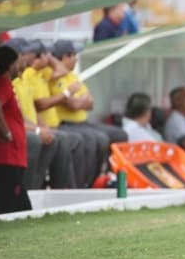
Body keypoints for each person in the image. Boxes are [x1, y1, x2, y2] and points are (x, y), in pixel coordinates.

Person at [50, 40, 128, 186]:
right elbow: (71, 104)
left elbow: (90, 102)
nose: (76, 58)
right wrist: (80, 101)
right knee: (96, 139)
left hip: (83, 122)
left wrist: (79, 101)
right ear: (64, 57)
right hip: (66, 123)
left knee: (119, 134)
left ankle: (111, 177)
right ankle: (87, 183)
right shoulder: (55, 77)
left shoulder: (72, 76)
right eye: (74, 55)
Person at [12, 39, 78, 189]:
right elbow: (35, 107)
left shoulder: (31, 76)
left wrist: (40, 127)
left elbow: (31, 111)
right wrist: (37, 129)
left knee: (60, 138)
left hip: (31, 126)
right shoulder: (26, 76)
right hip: (18, 131)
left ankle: (63, 190)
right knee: (39, 140)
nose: (25, 57)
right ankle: (31, 190)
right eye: (22, 54)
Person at [0, 46, 32, 215]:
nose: (22, 66)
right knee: (11, 212)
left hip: (9, 160)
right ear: (11, 65)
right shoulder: (2, 84)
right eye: (18, 62)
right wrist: (6, 133)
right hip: (5, 159)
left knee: (16, 211)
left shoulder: (5, 85)